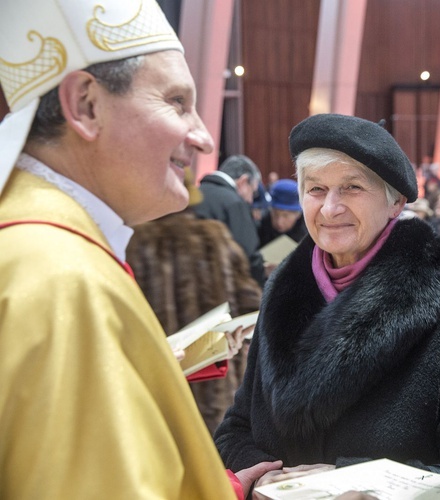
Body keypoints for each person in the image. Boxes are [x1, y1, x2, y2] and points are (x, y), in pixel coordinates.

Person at [0, 0, 280, 497]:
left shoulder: (42, 248)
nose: (204, 137)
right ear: (86, 105)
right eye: (177, 101)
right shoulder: (62, 278)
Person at [214, 113, 440, 492]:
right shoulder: (280, 301)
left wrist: (347, 480)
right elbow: (236, 429)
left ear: (395, 202)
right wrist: (263, 474)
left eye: (352, 187)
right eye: (316, 189)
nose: (330, 208)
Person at [126, 175, 263, 434]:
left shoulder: (134, 244)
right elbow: (250, 303)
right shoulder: (215, 236)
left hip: (160, 383)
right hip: (215, 382)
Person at [193, 154, 266, 285]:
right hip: (220, 289)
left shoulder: (191, 196)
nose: (250, 200)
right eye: (252, 192)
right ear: (243, 181)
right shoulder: (234, 203)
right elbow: (248, 256)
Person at [258, 178, 308, 247]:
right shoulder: (260, 225)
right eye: (275, 214)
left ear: (298, 215)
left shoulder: (308, 235)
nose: (279, 222)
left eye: (285, 216)